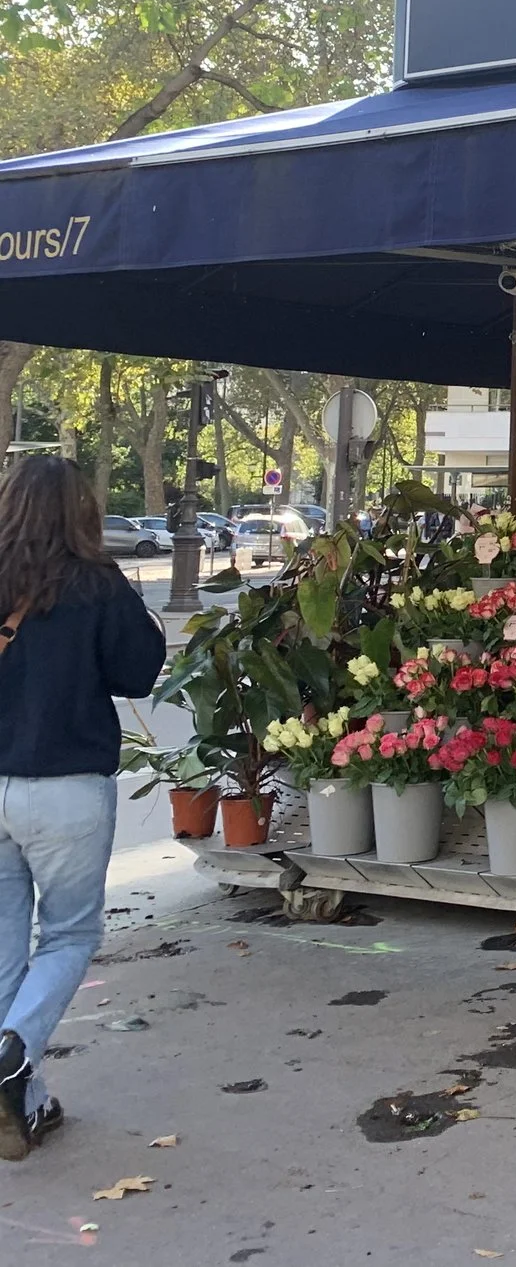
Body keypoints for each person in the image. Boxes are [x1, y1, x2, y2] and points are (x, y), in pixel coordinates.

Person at [0, 457, 168, 1159]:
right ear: (83, 512)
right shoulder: (97, 583)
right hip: (67, 783)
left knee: (4, 942)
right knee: (68, 936)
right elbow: (137, 669)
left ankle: (25, 1101)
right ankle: (13, 1056)